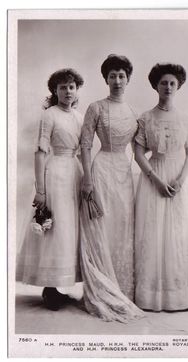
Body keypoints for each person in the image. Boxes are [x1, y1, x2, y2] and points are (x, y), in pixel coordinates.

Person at [80, 54, 144, 322]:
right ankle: (102, 288)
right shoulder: (96, 107)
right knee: (101, 226)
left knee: (122, 226)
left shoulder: (132, 112)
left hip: (123, 172)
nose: (117, 80)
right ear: (105, 79)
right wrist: (87, 179)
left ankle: (123, 288)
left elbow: (140, 147)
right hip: (102, 169)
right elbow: (84, 144)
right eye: (112, 75)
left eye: (121, 76)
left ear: (128, 79)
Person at [134, 63, 188, 312]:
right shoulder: (146, 117)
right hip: (154, 177)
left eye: (172, 83)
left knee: (176, 231)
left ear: (179, 86)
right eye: (163, 82)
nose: (168, 87)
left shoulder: (185, 119)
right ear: (155, 85)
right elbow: (139, 153)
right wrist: (155, 179)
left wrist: (181, 180)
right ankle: (150, 296)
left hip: (177, 179)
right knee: (152, 231)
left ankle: (179, 295)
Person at [16, 68, 84, 311]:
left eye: (72, 87)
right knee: (57, 228)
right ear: (55, 91)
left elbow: (83, 149)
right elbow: (40, 152)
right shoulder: (50, 115)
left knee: (71, 228)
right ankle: (50, 287)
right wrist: (41, 190)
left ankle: (63, 283)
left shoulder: (78, 116)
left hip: (75, 173)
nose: (68, 91)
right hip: (55, 174)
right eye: (63, 87)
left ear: (77, 91)